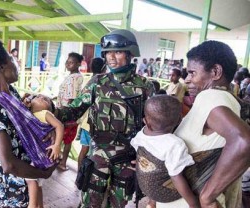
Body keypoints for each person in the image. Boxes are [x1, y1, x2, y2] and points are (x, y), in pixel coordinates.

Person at [55, 29, 153, 207]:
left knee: (118, 204)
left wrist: (145, 155)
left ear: (130, 53)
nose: (112, 58)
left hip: (127, 158)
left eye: (118, 52)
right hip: (98, 155)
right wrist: (50, 110)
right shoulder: (97, 83)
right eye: (108, 53)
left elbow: (155, 126)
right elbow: (73, 111)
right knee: (90, 203)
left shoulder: (145, 87)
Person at [0, 38, 56, 207]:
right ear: (1, 65)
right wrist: (43, 174)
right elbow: (8, 165)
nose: (16, 65)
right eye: (12, 59)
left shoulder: (11, 93)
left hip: (30, 177)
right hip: (13, 191)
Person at [172, 40, 250, 207]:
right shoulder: (224, 98)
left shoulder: (210, 96)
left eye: (192, 73)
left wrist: (208, 195)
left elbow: (245, 141)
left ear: (215, 72)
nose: (186, 80)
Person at [131, 95, 199, 208]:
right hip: (164, 194)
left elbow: (136, 147)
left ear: (145, 122)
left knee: (154, 167)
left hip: (144, 185)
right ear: (179, 120)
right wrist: (193, 203)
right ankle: (153, 202)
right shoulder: (174, 144)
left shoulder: (142, 133)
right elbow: (176, 176)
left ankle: (151, 203)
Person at [23, 93, 64, 207]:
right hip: (39, 154)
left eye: (46, 99)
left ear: (49, 108)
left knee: (31, 180)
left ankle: (32, 205)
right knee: (38, 183)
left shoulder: (45, 114)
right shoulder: (30, 114)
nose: (41, 97)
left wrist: (57, 145)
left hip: (40, 154)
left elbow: (59, 126)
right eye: (37, 97)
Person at [56, 52, 84, 171]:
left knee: (60, 137)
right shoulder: (75, 76)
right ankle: (62, 162)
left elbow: (71, 98)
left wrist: (65, 116)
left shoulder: (74, 78)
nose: (68, 64)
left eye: (71, 62)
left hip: (66, 114)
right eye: (67, 61)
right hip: (71, 114)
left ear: (78, 64)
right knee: (67, 140)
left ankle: (59, 161)